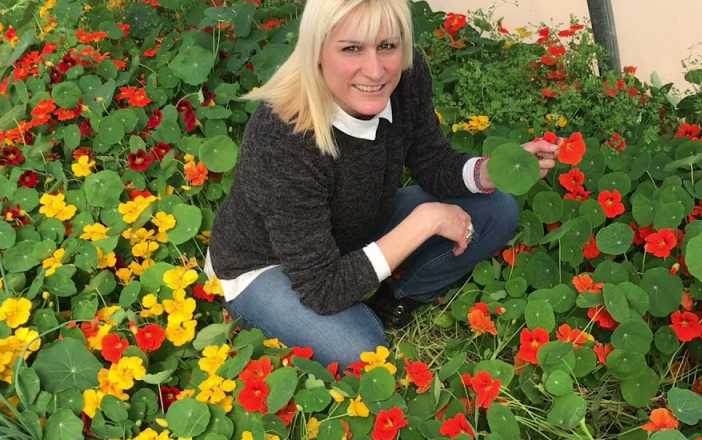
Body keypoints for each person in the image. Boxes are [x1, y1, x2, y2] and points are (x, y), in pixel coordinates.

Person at [204, 0, 558, 368]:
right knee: (360, 350)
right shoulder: (282, 135)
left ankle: (394, 298)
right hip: (268, 263)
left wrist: (495, 170)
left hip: (356, 224)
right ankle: (346, 301)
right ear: (317, 51)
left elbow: (432, 159)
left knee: (497, 209)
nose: (375, 71)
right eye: (351, 48)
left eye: (387, 45)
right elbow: (322, 288)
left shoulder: (405, 75)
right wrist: (425, 222)